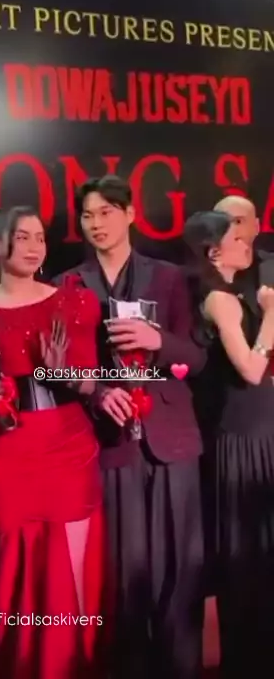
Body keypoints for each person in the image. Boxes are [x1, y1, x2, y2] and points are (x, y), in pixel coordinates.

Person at [0, 206, 106, 679]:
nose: (35, 247)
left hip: (66, 448)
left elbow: (91, 382)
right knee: (11, 567)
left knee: (73, 564)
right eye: (22, 237)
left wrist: (62, 374)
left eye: (40, 237)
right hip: (5, 452)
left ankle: (75, 664)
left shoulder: (74, 301)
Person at [55, 175, 206, 679]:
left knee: (180, 573)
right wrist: (98, 392)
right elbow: (55, 369)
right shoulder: (67, 285)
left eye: (106, 212)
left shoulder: (170, 278)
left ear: (130, 214)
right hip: (109, 441)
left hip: (172, 441)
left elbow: (196, 360)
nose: (96, 224)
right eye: (87, 215)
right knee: (124, 575)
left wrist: (157, 340)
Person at [184, 210, 274, 678]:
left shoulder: (234, 294)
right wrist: (273, 314)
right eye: (237, 239)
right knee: (249, 558)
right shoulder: (221, 299)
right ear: (214, 250)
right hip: (242, 441)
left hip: (259, 432)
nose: (247, 245)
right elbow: (252, 369)